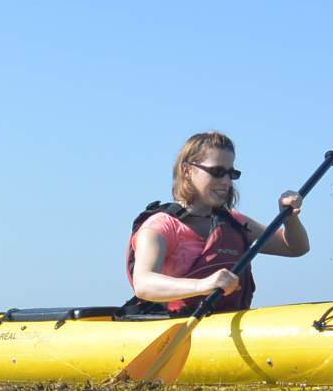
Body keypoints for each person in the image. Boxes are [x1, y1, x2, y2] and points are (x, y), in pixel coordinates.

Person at [125, 132, 307, 315]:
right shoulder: (161, 226)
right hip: (179, 327)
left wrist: (290, 217)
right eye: (217, 172)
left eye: (231, 174)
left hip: (226, 329)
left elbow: (295, 248)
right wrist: (203, 285)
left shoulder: (235, 222)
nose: (227, 182)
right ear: (187, 171)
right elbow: (143, 284)